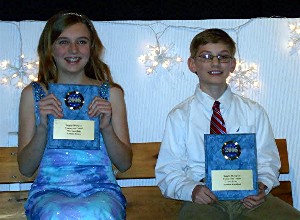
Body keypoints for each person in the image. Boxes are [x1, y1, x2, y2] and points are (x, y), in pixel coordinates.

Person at [155, 28, 300, 219]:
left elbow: (268, 161)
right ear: (192, 64)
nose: (215, 62)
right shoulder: (180, 116)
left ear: (232, 64)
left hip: (248, 197)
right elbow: (168, 170)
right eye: (206, 56)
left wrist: (262, 186)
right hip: (204, 198)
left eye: (223, 57)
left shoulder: (253, 112)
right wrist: (192, 190)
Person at [17, 11, 132, 220]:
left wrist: (106, 128)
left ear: (91, 48)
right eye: (63, 42)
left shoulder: (110, 94)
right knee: (59, 213)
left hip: (101, 190)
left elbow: (124, 164)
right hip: (49, 192)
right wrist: (42, 127)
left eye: (81, 41)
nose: (73, 50)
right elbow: (25, 168)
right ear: (50, 48)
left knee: (99, 211)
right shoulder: (33, 95)